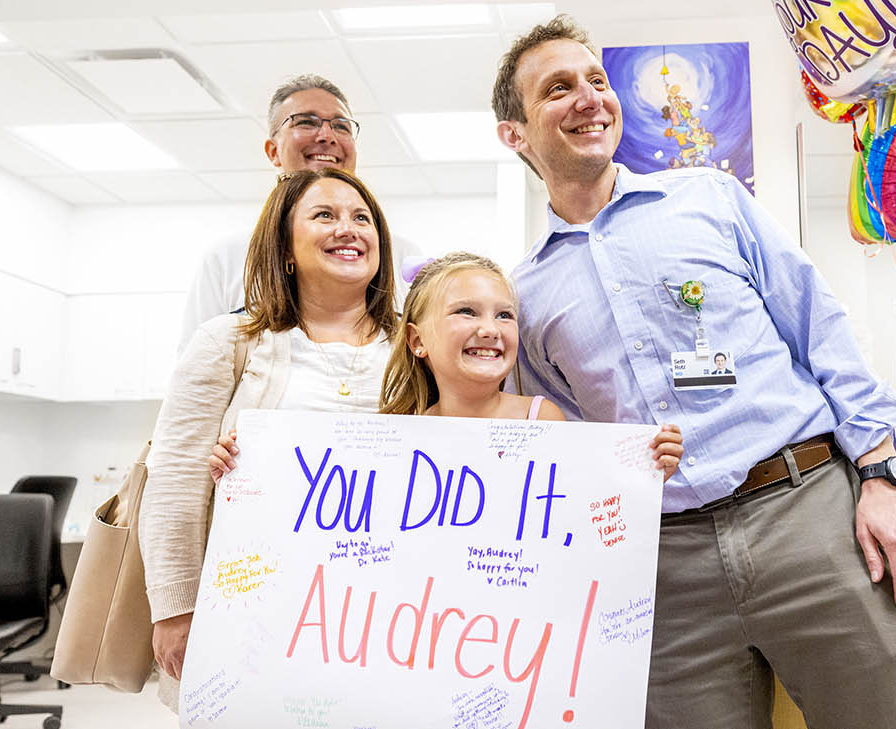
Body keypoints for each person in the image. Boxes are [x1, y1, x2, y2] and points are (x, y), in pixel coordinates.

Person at [492, 16, 896, 728]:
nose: (590, 98)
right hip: (663, 570)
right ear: (514, 133)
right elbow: (567, 449)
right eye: (558, 88)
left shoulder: (710, 198)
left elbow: (818, 326)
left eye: (597, 81)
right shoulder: (526, 294)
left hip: (805, 515)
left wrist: (885, 473)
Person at [141, 167, 397, 711]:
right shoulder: (230, 342)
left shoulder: (414, 346)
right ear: (283, 245)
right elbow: (175, 484)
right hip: (252, 613)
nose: (348, 229)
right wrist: (175, 609)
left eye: (362, 218)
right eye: (324, 215)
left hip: (385, 616)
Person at [211, 253, 683, 480]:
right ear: (416, 340)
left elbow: (580, 504)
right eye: (466, 312)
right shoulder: (401, 435)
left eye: (504, 315)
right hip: (435, 634)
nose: (490, 328)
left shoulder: (543, 419)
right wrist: (247, 468)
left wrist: (642, 472)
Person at [177, 74, 417, 352]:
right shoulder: (227, 257)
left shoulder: (399, 255)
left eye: (341, 126)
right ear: (273, 151)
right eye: (306, 122)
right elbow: (194, 370)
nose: (327, 136)